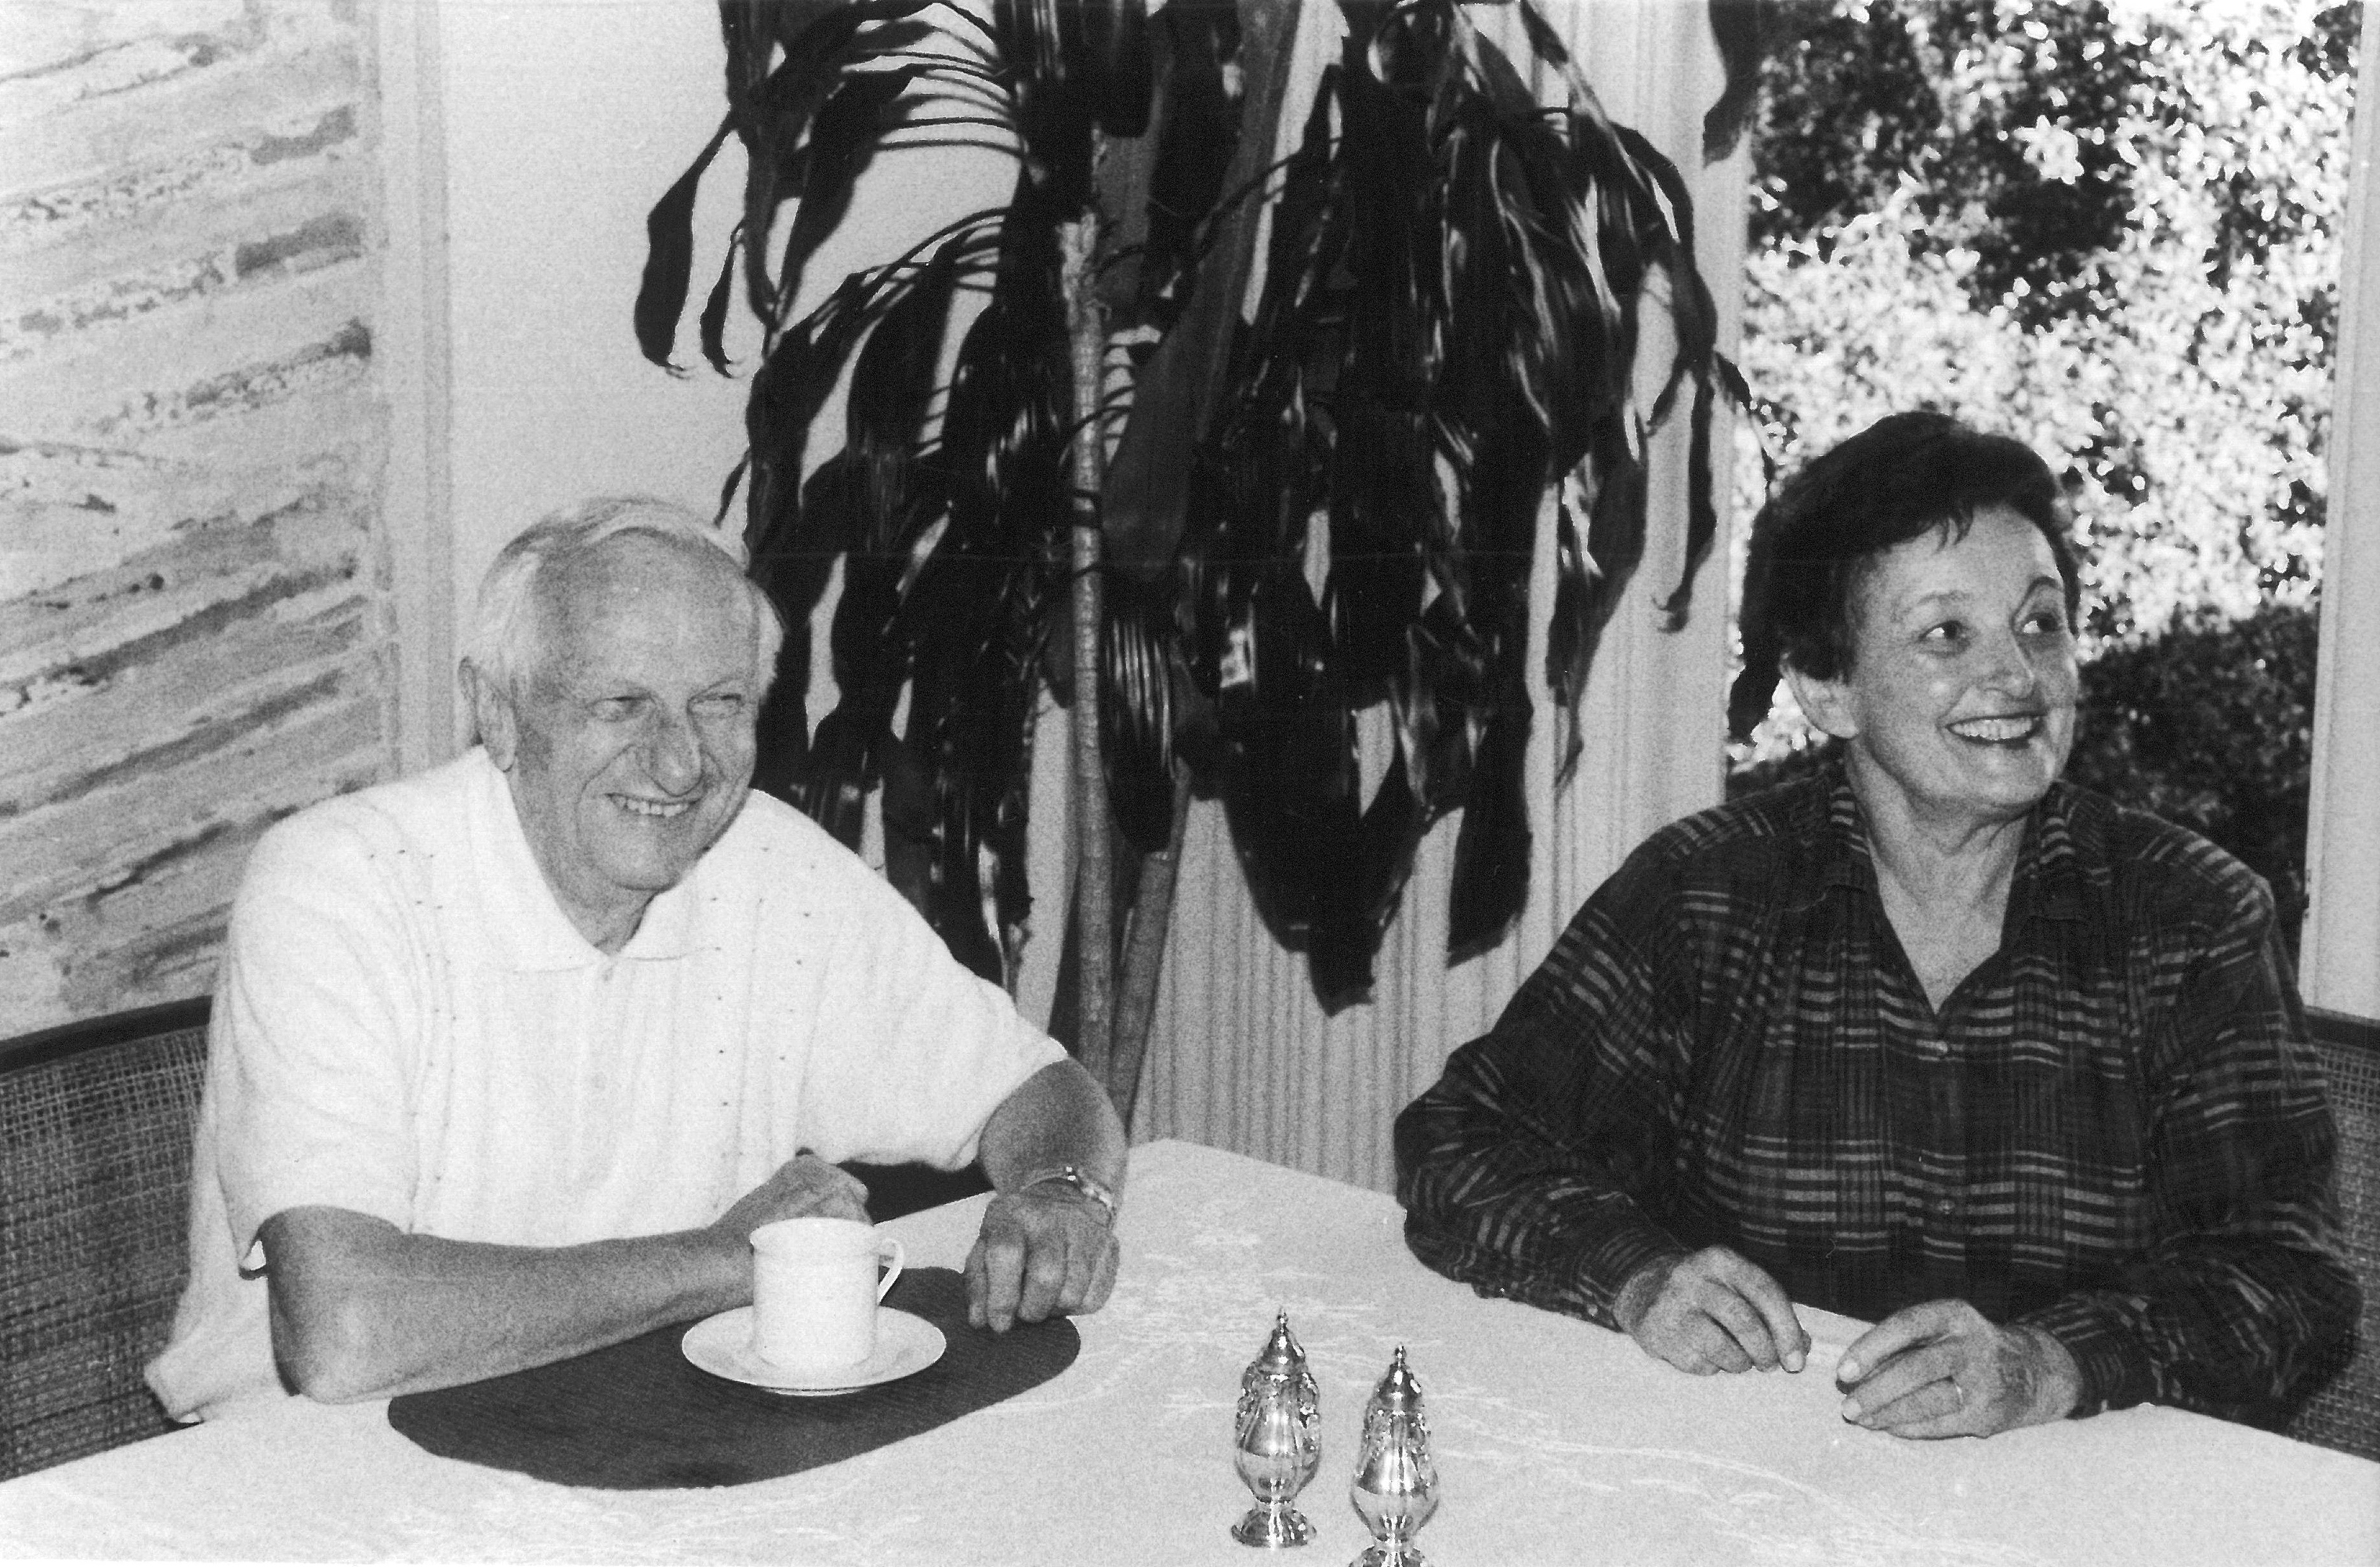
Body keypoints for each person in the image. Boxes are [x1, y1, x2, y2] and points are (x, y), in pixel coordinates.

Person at [1395, 412, 2356, 1439]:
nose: (2020, 679)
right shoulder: (1707, 898)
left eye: (2041, 623)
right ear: (1826, 689)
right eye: (1948, 635)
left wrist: (2050, 1363)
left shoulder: (2191, 917)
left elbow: (2290, 1278)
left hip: (2079, 1494)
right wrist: (1636, 1276)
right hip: (1754, 1477)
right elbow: (1465, 1140)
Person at [150, 496, 1126, 1419]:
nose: (680, 763)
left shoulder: (770, 866)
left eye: (719, 703)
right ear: (496, 711)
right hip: (318, 1479)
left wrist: (1057, 1190)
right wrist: (719, 1257)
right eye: (620, 703)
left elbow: (1040, 1089)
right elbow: (346, 1333)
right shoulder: (342, 880)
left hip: (648, 1432)